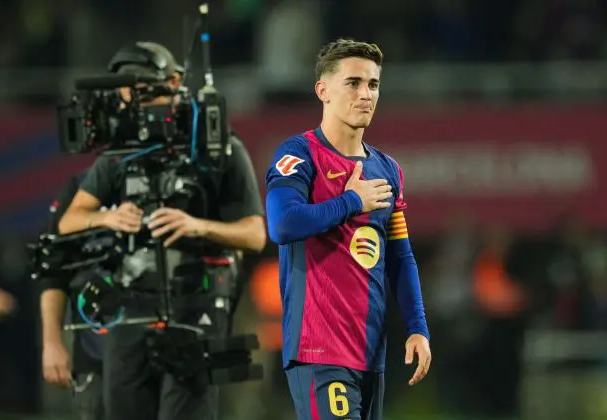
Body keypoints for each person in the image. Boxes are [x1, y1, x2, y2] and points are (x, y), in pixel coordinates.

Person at [58, 41, 266, 420]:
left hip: (196, 304)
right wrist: (108, 217)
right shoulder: (117, 156)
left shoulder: (219, 148)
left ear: (173, 84)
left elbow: (255, 235)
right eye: (126, 92)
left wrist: (196, 225)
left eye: (143, 90)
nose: (133, 101)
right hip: (130, 308)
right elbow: (70, 220)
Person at [265, 38, 432, 419]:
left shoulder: (387, 169)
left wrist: (418, 327)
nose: (365, 94)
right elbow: (283, 223)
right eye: (353, 83)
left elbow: (399, 256)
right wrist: (352, 202)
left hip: (371, 353)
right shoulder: (298, 154)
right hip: (318, 349)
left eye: (373, 85)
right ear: (322, 91)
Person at [40, 169, 105, 420]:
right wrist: (52, 342)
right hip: (96, 352)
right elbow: (53, 271)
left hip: (165, 352)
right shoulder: (83, 186)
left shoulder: (176, 182)